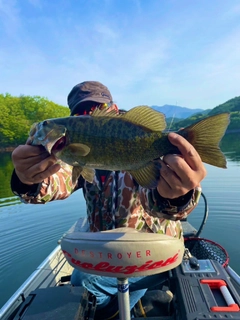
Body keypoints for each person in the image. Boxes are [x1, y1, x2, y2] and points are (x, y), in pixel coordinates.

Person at [11, 81, 206, 319]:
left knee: (85, 284)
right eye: (81, 114)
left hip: (153, 253)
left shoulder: (135, 139)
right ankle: (138, 302)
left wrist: (179, 193)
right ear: (73, 120)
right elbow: (54, 182)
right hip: (105, 256)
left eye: (97, 109)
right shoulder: (72, 158)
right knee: (84, 280)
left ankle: (129, 301)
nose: (90, 116)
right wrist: (26, 179)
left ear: (112, 108)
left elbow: (155, 194)